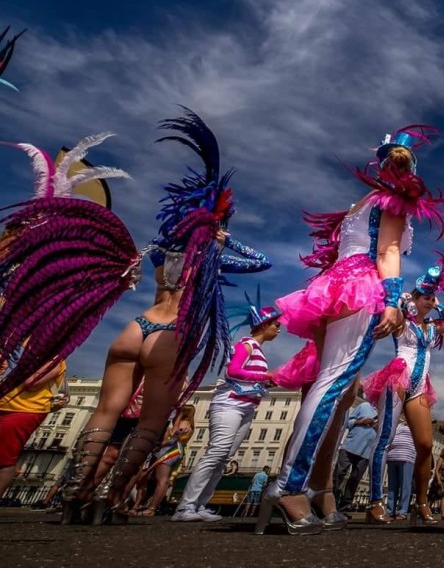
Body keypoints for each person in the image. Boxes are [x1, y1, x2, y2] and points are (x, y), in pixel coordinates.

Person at [38, 113, 273, 525]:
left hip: (137, 326)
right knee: (150, 422)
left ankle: (75, 494)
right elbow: (261, 262)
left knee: (105, 412)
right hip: (169, 335)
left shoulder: (162, 251)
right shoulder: (211, 258)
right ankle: (111, 500)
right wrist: (226, 240)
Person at [258, 126, 444, 536]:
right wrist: (393, 299)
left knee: (338, 391)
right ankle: (290, 484)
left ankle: (317, 488)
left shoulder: (360, 203)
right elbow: (388, 249)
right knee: (333, 382)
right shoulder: (394, 199)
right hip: (362, 286)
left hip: (333, 283)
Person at [363, 257, 444, 524]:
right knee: (384, 439)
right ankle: (375, 502)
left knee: (426, 445)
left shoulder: (432, 327)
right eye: (426, 299)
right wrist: (402, 300)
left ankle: (421, 503)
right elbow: (389, 313)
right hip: (398, 379)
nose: (430, 303)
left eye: (433, 299)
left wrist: (437, 304)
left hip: (420, 386)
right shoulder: (402, 321)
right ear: (415, 299)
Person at [172, 292, 281, 521]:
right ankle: (185, 507)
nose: (279, 329)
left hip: (246, 407)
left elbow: (249, 378)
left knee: (224, 457)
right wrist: (264, 376)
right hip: (229, 404)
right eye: (276, 325)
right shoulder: (246, 345)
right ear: (264, 325)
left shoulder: (258, 351)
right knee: (217, 452)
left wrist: (266, 381)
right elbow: (233, 371)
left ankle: (200, 505)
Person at [0, 352, 67, 498]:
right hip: (7, 405)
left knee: (4, 459)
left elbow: (31, 382)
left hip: (24, 410)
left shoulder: (54, 357)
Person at [129, 405, 195, 516]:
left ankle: (151, 507)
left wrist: (161, 445)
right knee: (162, 480)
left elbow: (174, 437)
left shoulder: (183, 423)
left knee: (161, 480)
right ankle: (149, 506)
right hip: (177, 451)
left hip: (170, 451)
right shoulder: (190, 425)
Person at [334, 388, 379, 512]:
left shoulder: (384, 415)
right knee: (339, 474)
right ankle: (329, 504)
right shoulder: (364, 406)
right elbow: (347, 422)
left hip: (366, 452)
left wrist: (378, 427)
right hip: (350, 446)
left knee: (355, 479)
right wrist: (361, 421)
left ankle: (344, 508)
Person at [385, 421, 415, 520]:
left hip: (407, 456)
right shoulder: (398, 425)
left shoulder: (416, 425)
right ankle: (390, 511)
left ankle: (402, 511)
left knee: (405, 486)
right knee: (392, 487)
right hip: (392, 457)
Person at [429, 446, 444, 519]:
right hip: (437, 481)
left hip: (442, 480)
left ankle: (428, 510)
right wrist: (438, 480)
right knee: (442, 495)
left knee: (433, 497)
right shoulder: (440, 459)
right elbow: (436, 470)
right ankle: (442, 514)